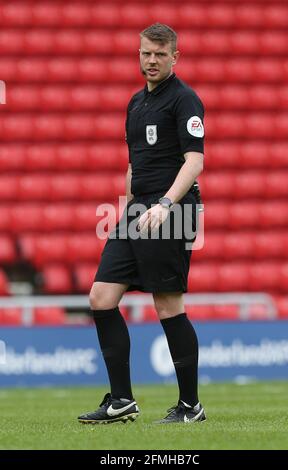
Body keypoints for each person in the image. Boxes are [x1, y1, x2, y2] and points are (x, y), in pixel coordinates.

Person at [78, 23, 206, 425]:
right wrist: (129, 207)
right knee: (101, 297)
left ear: (174, 57)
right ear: (139, 53)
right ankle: (121, 400)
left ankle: (190, 407)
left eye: (159, 54)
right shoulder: (135, 103)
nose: (151, 60)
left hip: (172, 209)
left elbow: (195, 162)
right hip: (136, 212)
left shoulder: (185, 100)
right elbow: (134, 164)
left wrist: (167, 204)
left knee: (167, 304)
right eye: (145, 53)